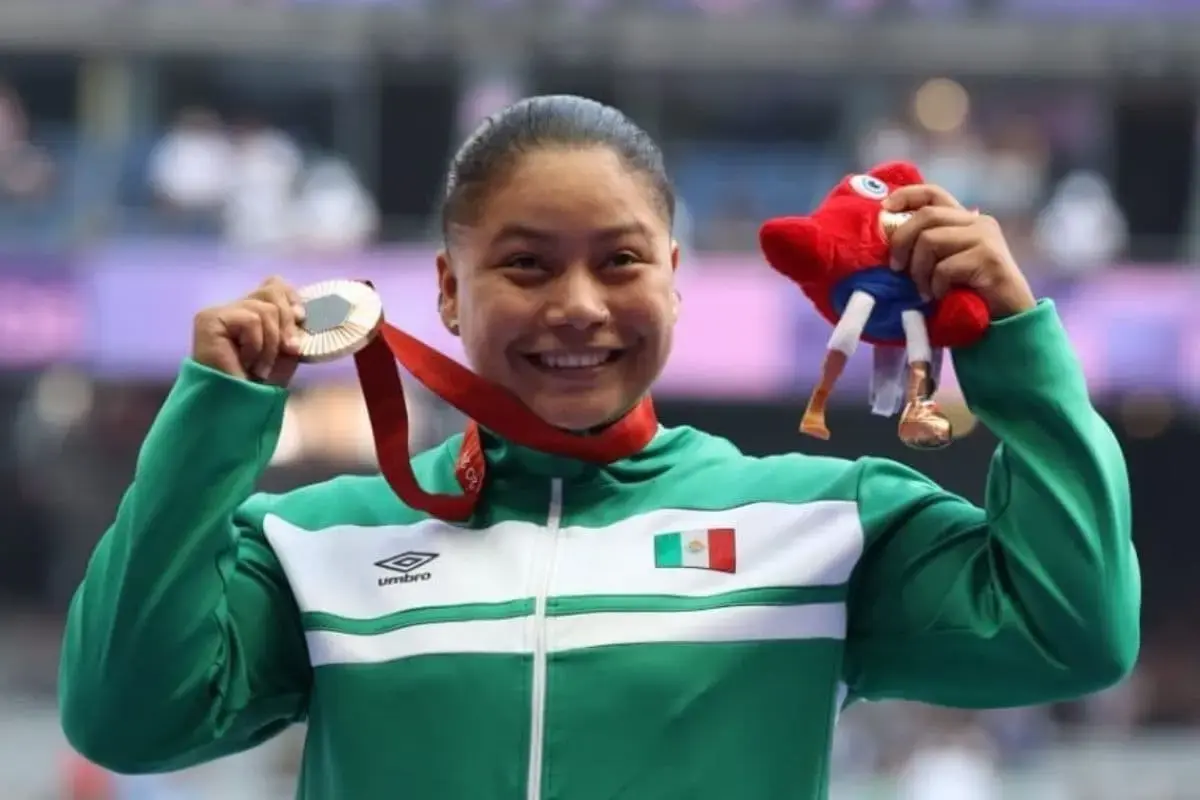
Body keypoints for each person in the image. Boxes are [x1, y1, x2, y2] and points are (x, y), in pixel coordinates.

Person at [58, 95, 1139, 799]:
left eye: (620, 261)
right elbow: (127, 718)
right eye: (525, 266)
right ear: (446, 288)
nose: (578, 306)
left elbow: (1074, 630)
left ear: (672, 272)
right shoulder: (314, 541)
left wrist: (1013, 344)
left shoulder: (825, 525)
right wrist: (208, 425)